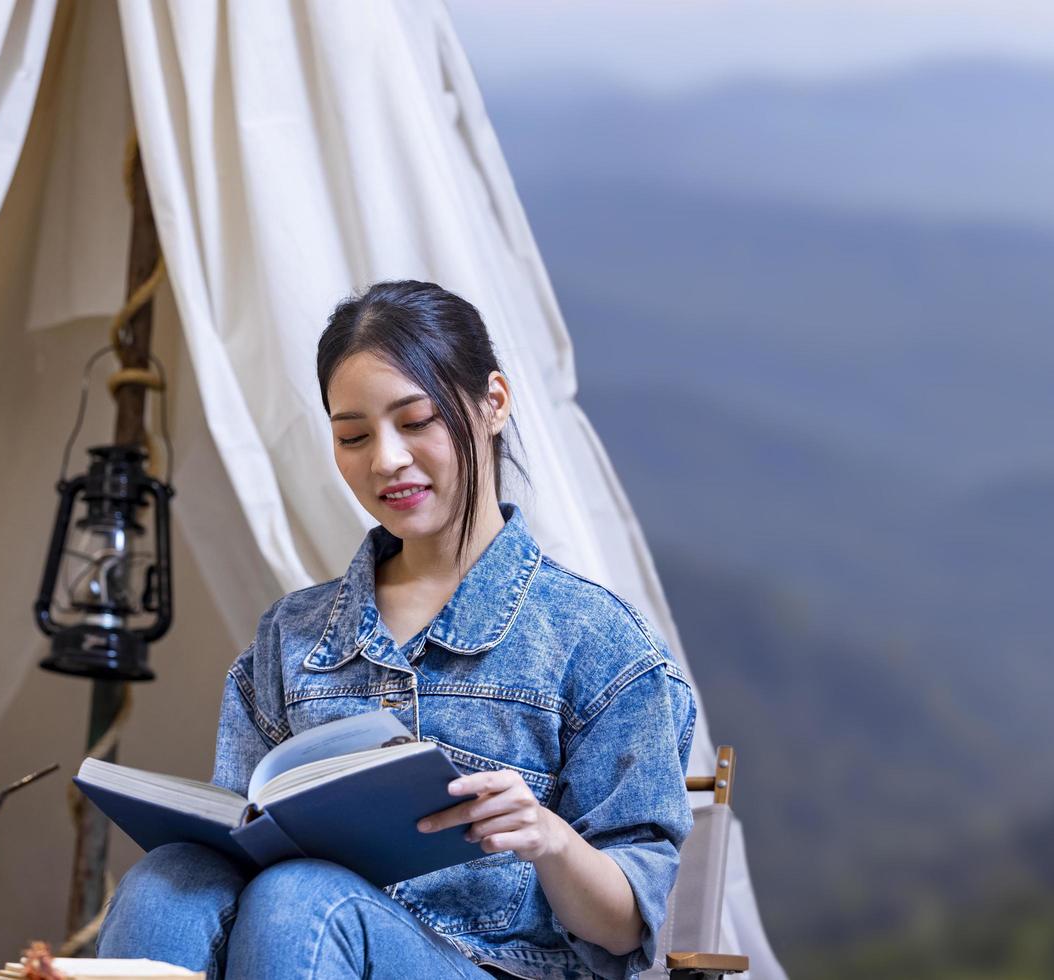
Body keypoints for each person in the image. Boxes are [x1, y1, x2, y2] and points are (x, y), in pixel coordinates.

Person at [96, 281, 697, 980]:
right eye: (352, 435)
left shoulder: (600, 643)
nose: (385, 460)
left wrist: (551, 841)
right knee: (169, 878)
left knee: (302, 901)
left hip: (495, 969)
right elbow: (234, 844)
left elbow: (625, 931)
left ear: (493, 403)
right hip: (291, 951)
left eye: (415, 422)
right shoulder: (292, 634)